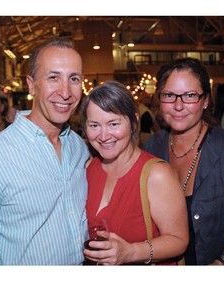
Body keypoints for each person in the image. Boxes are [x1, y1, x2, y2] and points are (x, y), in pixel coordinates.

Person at [0, 38, 90, 265]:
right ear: (32, 84)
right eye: (53, 77)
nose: (66, 92)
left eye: (74, 79)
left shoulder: (79, 148)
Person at [143, 58, 224, 265]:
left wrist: (223, 263)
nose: (178, 105)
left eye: (189, 96)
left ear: (205, 101)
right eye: (169, 95)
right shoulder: (152, 148)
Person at [80, 81, 188, 265]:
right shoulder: (89, 167)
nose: (104, 135)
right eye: (94, 125)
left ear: (134, 121)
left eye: (113, 124)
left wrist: (131, 252)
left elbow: (179, 240)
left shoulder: (157, 174)